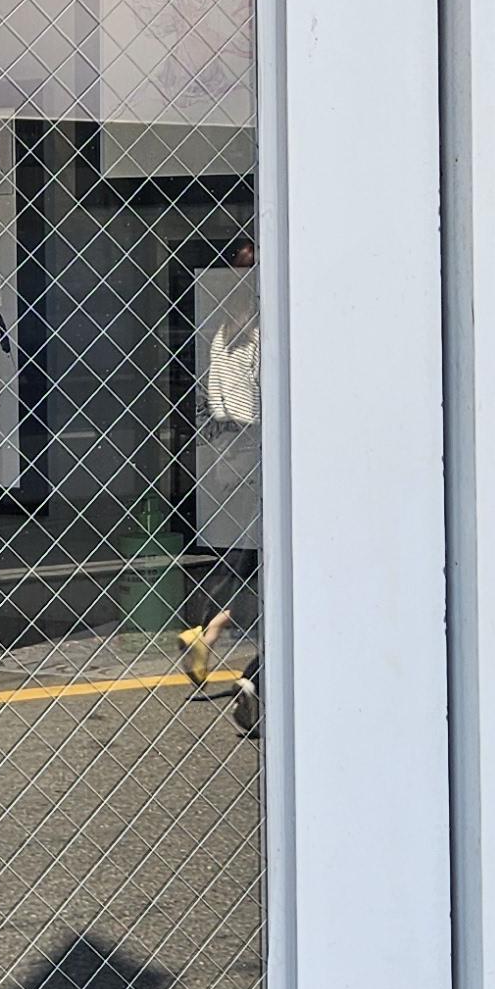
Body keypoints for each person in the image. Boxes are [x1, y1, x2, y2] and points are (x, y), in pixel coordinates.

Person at [179, 239, 262, 735]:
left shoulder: (222, 331)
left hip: (223, 445)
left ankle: (208, 631)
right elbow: (265, 394)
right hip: (254, 444)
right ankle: (214, 634)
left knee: (243, 550)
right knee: (260, 555)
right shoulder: (260, 334)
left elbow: (212, 394)